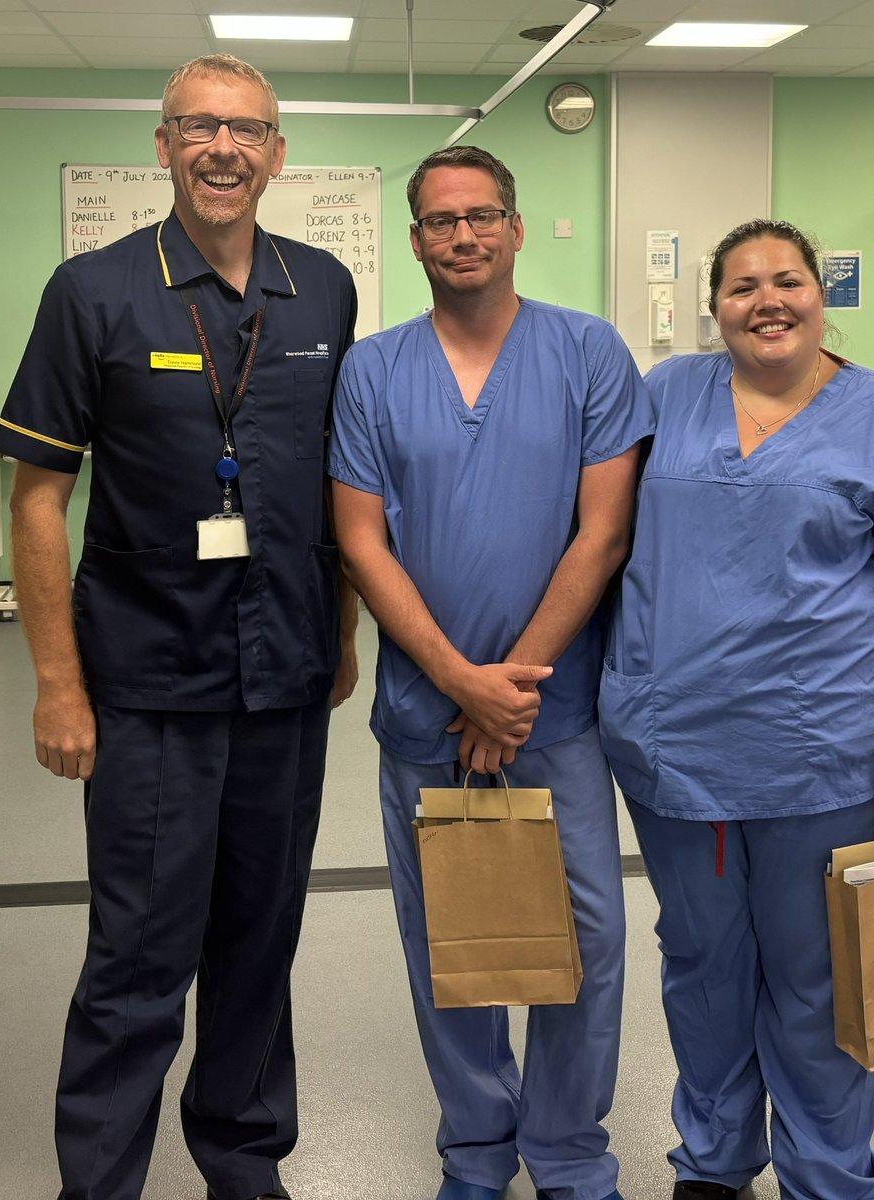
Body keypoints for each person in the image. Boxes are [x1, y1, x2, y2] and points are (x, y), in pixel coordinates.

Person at [0, 54, 357, 1200]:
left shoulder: (325, 289)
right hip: (147, 682)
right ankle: (99, 1181)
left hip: (287, 675)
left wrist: (340, 636)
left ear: (278, 154)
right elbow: (39, 494)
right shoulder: (92, 290)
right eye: (199, 127)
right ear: (161, 146)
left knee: (260, 940)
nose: (223, 150)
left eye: (247, 131)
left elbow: (339, 486)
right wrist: (58, 682)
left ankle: (243, 1159)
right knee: (140, 953)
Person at [598, 218, 874, 1200]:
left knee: (821, 984)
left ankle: (828, 1174)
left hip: (824, 757)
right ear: (714, 306)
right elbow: (601, 539)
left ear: (820, 294)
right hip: (673, 756)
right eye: (740, 286)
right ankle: (716, 1162)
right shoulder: (665, 396)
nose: (765, 301)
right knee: (700, 970)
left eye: (785, 281)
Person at [328, 145, 651, 1200]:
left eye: (480, 216)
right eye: (437, 221)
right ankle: (474, 1147)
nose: (460, 236)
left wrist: (508, 688)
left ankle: (566, 1151)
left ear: (514, 228)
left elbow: (601, 536)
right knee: (449, 942)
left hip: (549, 715)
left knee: (586, 941)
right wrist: (460, 683)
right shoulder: (373, 368)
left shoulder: (587, 353)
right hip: (428, 715)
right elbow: (361, 542)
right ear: (414, 238)